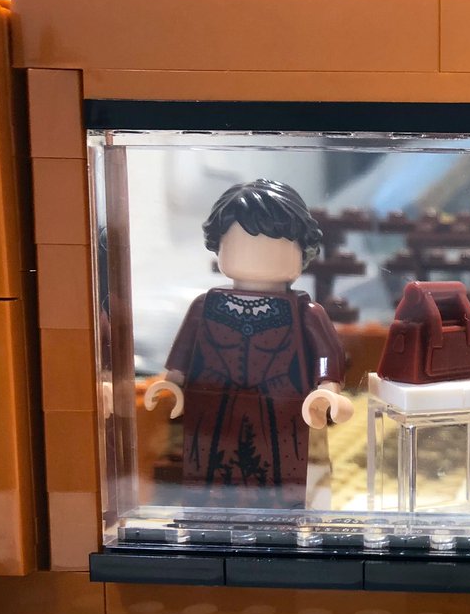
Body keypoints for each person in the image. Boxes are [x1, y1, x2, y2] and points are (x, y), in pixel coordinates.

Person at [145, 179, 352, 509]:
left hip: (280, 410)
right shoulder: (205, 306)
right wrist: (171, 383)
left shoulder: (305, 312)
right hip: (213, 407)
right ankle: (208, 518)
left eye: (275, 245)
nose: (258, 255)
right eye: (242, 244)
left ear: (303, 251)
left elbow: (328, 357)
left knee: (278, 474)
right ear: (219, 247)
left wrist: (328, 391)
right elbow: (182, 355)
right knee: (210, 470)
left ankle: (279, 522)